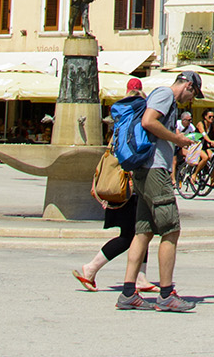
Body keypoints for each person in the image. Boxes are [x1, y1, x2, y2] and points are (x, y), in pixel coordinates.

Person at [117, 70, 202, 313]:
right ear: (187, 85)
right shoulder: (165, 95)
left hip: (145, 169)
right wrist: (177, 140)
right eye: (193, 93)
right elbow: (148, 122)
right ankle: (166, 294)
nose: (191, 99)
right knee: (171, 229)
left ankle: (127, 293)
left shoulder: (162, 96)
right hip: (155, 170)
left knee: (143, 231)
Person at [74, 80, 154, 294]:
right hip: (129, 188)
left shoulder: (119, 122)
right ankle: (90, 268)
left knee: (141, 230)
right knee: (130, 235)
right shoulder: (134, 122)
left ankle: (141, 277)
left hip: (121, 186)